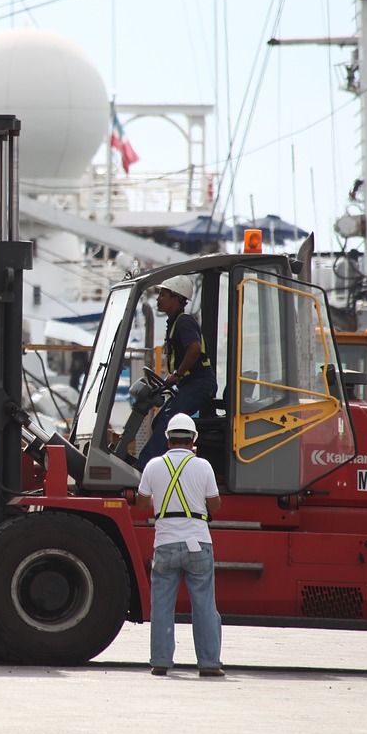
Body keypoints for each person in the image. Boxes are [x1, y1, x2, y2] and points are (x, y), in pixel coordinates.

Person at [137, 413, 223, 677]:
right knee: (205, 606)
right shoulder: (204, 466)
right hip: (198, 542)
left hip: (165, 544)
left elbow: (141, 504)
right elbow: (215, 506)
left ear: (167, 438)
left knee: (162, 605)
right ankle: (209, 664)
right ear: (193, 438)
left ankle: (161, 661)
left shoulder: (153, 466)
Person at [137, 275, 217, 465]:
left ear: (176, 298)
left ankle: (144, 467)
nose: (158, 299)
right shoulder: (175, 323)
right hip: (190, 384)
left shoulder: (183, 322)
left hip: (199, 384)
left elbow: (195, 348)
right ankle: (164, 463)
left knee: (167, 421)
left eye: (163, 295)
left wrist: (178, 374)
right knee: (159, 422)